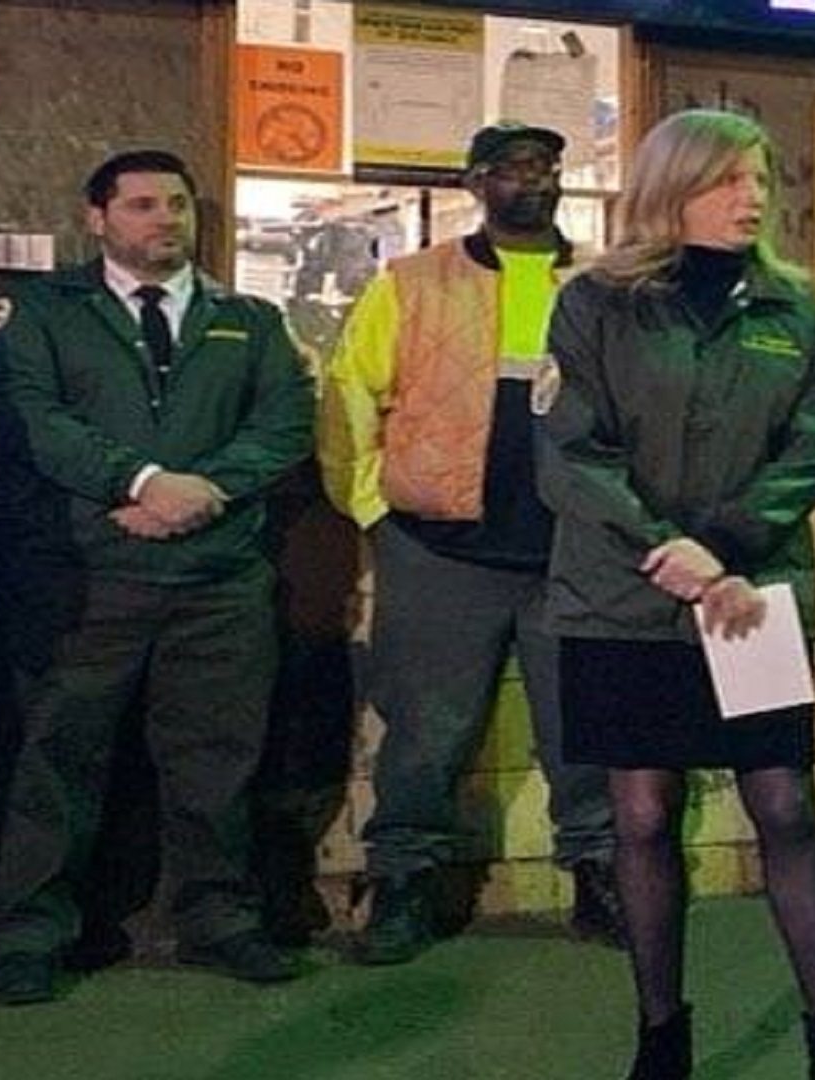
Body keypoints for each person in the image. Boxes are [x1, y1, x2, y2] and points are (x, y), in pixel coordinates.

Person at [538, 109, 815, 1080]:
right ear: (670, 188)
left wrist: (719, 546)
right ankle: (661, 1037)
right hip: (620, 598)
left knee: (785, 805)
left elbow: (814, 444)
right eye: (727, 180)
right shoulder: (594, 303)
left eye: (760, 179)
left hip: (745, 593)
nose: (752, 197)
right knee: (642, 816)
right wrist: (663, 547)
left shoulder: (794, 309)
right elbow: (569, 452)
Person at [0, 149, 314, 1002]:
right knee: (58, 759)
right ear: (97, 218)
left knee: (217, 762)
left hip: (218, 578)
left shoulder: (249, 319)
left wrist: (206, 490)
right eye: (142, 205)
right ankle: (31, 936)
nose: (165, 220)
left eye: (178, 205)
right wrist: (140, 481)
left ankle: (219, 920)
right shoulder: (43, 312)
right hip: (88, 577)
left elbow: (283, 423)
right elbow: (29, 417)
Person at [319, 122, 619, 965]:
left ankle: (600, 877)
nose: (537, 180)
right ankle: (404, 882)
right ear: (476, 184)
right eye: (515, 168)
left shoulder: (606, 287)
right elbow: (348, 396)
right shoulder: (412, 283)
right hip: (439, 551)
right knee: (424, 732)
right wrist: (374, 510)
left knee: (586, 729)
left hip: (574, 551)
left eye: (548, 166)